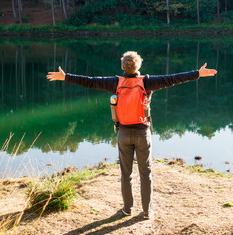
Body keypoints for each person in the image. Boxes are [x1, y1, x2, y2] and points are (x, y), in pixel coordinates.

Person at [46, 51, 217, 220]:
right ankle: (147, 212)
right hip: (143, 133)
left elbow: (90, 82)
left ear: (122, 66)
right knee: (145, 174)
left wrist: (66, 77)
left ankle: (127, 209)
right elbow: (173, 79)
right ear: (139, 66)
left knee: (126, 174)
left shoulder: (115, 82)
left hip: (124, 133)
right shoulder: (147, 82)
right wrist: (198, 74)